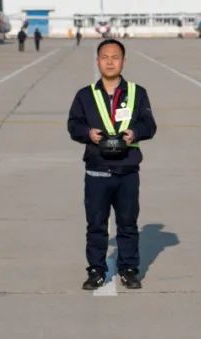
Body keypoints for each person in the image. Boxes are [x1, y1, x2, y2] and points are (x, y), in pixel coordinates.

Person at [67, 38, 157, 290]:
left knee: (127, 223)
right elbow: (73, 125)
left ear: (123, 62)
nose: (110, 62)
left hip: (127, 170)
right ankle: (96, 270)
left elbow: (149, 125)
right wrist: (88, 133)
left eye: (115, 57)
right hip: (97, 169)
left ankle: (128, 269)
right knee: (96, 224)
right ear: (97, 61)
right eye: (105, 57)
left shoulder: (137, 93)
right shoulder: (85, 95)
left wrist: (135, 133)